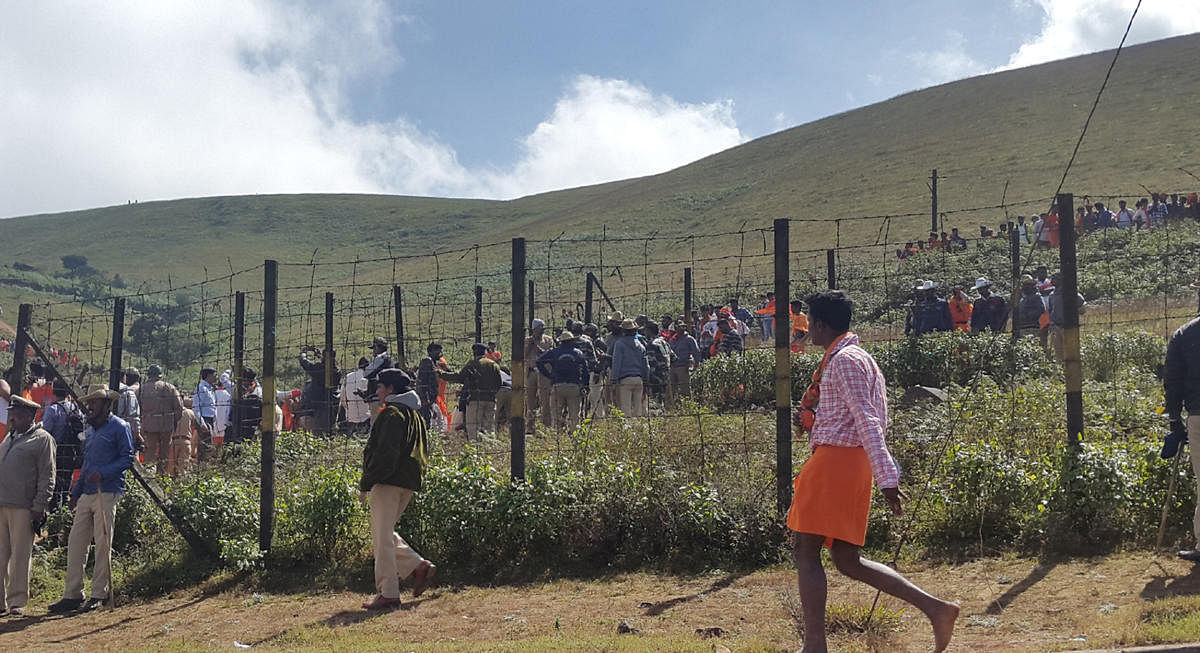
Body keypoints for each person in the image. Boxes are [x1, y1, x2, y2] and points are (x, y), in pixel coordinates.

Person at [788, 291, 958, 653]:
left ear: (819, 324)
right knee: (847, 559)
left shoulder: (844, 361)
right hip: (852, 462)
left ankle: (814, 645)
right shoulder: (860, 358)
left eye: (810, 326)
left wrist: (887, 476)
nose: (807, 333)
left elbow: (867, 421)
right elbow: (869, 417)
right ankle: (937, 609)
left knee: (806, 551)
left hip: (837, 461)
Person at [48, 388, 134, 614]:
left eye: (95, 403)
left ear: (107, 405)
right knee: (76, 541)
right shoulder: (91, 430)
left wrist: (104, 472)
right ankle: (72, 594)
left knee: (103, 541)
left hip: (107, 491)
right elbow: (86, 464)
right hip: (86, 492)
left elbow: (127, 458)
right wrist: (75, 492)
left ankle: (99, 593)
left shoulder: (120, 427)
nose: (90, 407)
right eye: (90, 403)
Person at [359, 369, 435, 610]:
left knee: (381, 539)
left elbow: (384, 453)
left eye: (381, 386)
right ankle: (417, 565)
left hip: (388, 481)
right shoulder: (414, 415)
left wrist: (367, 481)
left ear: (391, 389)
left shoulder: (392, 414)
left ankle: (388, 592)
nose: (378, 391)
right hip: (407, 482)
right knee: (386, 533)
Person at [0, 396, 55, 617]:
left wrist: (40, 505)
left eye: (19, 415)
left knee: (21, 554)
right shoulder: (10, 437)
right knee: (0, 554)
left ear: (32, 416)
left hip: (24, 506)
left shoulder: (43, 439)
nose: (13, 418)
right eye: (12, 414)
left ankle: (17, 601)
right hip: (2, 503)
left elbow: (47, 476)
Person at [440, 343, 503, 441]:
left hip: (475, 400)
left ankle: (476, 449)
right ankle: (490, 447)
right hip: (491, 400)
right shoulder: (493, 364)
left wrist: (441, 374)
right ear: (484, 352)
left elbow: (460, 377)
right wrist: (492, 393)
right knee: (489, 428)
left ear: (474, 352)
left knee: (473, 428)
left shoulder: (473, 364)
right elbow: (499, 383)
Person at [41, 379, 86, 510]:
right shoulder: (76, 408)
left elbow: (46, 433)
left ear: (54, 391)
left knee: (54, 481)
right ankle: (65, 508)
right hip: (72, 450)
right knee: (67, 480)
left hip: (56, 450)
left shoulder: (52, 410)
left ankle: (54, 510)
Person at [535, 333, 589, 431]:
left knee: (556, 415)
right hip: (574, 385)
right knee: (574, 416)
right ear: (572, 341)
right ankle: (574, 435)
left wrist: (549, 375)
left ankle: (557, 435)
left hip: (557, 385)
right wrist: (584, 384)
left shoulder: (554, 352)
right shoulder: (578, 353)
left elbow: (539, 361)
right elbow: (585, 370)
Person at [137, 365, 183, 467]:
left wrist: (142, 424)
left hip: (148, 427)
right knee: (164, 455)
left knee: (149, 454)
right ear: (160, 375)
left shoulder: (141, 390)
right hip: (166, 427)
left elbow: (137, 410)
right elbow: (179, 408)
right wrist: (173, 422)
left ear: (148, 375)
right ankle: (161, 479)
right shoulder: (169, 387)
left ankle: (147, 477)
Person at [609, 318, 649, 417]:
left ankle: (628, 430)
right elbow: (646, 365)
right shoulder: (640, 345)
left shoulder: (619, 344)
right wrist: (646, 381)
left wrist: (614, 380)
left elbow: (616, 363)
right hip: (639, 379)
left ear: (623, 331)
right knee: (638, 408)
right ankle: (639, 427)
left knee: (625, 408)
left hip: (625, 380)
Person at [298, 345, 340, 433]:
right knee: (329, 431)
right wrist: (320, 356)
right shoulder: (337, 370)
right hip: (332, 403)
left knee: (319, 432)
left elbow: (305, 364)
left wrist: (303, 353)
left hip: (320, 405)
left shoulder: (319, 369)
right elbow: (329, 362)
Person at [523, 319, 555, 430]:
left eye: (543, 328)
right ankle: (530, 425)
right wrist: (530, 345)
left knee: (545, 399)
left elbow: (550, 354)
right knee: (530, 400)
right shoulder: (527, 340)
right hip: (531, 371)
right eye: (539, 328)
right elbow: (524, 355)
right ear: (534, 329)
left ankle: (546, 424)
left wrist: (538, 348)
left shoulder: (548, 340)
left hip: (544, 372)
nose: (541, 331)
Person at [1046, 273, 1086, 362]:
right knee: (1058, 353)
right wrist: (1051, 324)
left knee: (1070, 351)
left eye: (1056, 278)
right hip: (1056, 327)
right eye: (1052, 278)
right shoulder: (1051, 295)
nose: (1053, 281)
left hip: (1068, 327)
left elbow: (1082, 308)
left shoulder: (1070, 293)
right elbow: (1050, 310)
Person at [668, 321, 701, 407]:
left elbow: (696, 352)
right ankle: (672, 407)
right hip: (672, 367)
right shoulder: (672, 340)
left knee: (685, 388)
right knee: (671, 389)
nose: (680, 329)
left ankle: (688, 406)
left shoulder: (689, 339)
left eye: (682, 326)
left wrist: (695, 366)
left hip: (684, 366)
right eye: (678, 327)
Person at [362, 337, 394, 424]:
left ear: (377, 347)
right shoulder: (388, 358)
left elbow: (366, 373)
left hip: (377, 395)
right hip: (386, 394)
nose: (373, 351)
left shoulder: (381, 358)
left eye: (374, 348)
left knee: (375, 422)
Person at [340, 357, 371, 433]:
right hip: (366, 417)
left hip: (350, 417)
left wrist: (348, 409)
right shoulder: (369, 379)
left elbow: (342, 398)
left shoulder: (348, 376)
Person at [116, 368, 143, 451]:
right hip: (123, 432)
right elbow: (133, 415)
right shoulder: (128, 391)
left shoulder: (104, 388)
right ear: (124, 377)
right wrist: (137, 433)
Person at [193, 368, 217, 462]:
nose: (216, 377)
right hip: (205, 420)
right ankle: (202, 467)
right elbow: (196, 406)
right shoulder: (201, 388)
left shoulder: (210, 389)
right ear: (208, 376)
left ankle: (205, 467)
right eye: (214, 375)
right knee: (205, 446)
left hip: (210, 420)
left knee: (208, 445)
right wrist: (202, 423)